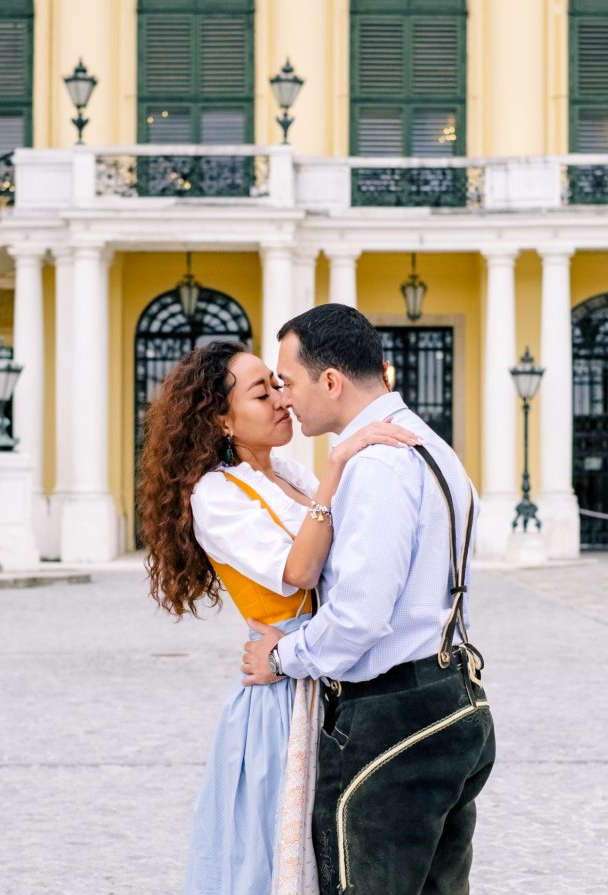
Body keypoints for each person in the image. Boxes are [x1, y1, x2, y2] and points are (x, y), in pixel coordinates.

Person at [137, 339, 419, 895]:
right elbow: (303, 569)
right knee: (276, 853)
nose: (281, 401)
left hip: (325, 664)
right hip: (283, 691)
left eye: (278, 386)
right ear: (221, 418)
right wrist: (340, 459)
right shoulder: (214, 495)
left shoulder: (287, 470)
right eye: (261, 392)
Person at [242, 304, 496, 895]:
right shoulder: (434, 447)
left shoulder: (377, 464)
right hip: (455, 697)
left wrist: (280, 657)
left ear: (330, 381)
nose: (285, 399)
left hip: (391, 724)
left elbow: (358, 617)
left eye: (290, 382)